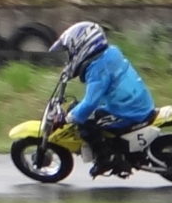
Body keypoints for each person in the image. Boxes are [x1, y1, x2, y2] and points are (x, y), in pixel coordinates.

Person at [51, 20, 156, 176]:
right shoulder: (110, 53)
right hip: (135, 102)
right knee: (78, 109)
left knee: (85, 123)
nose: (70, 57)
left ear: (82, 46)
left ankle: (105, 159)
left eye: (71, 52)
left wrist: (67, 118)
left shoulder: (98, 69)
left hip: (128, 111)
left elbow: (90, 103)